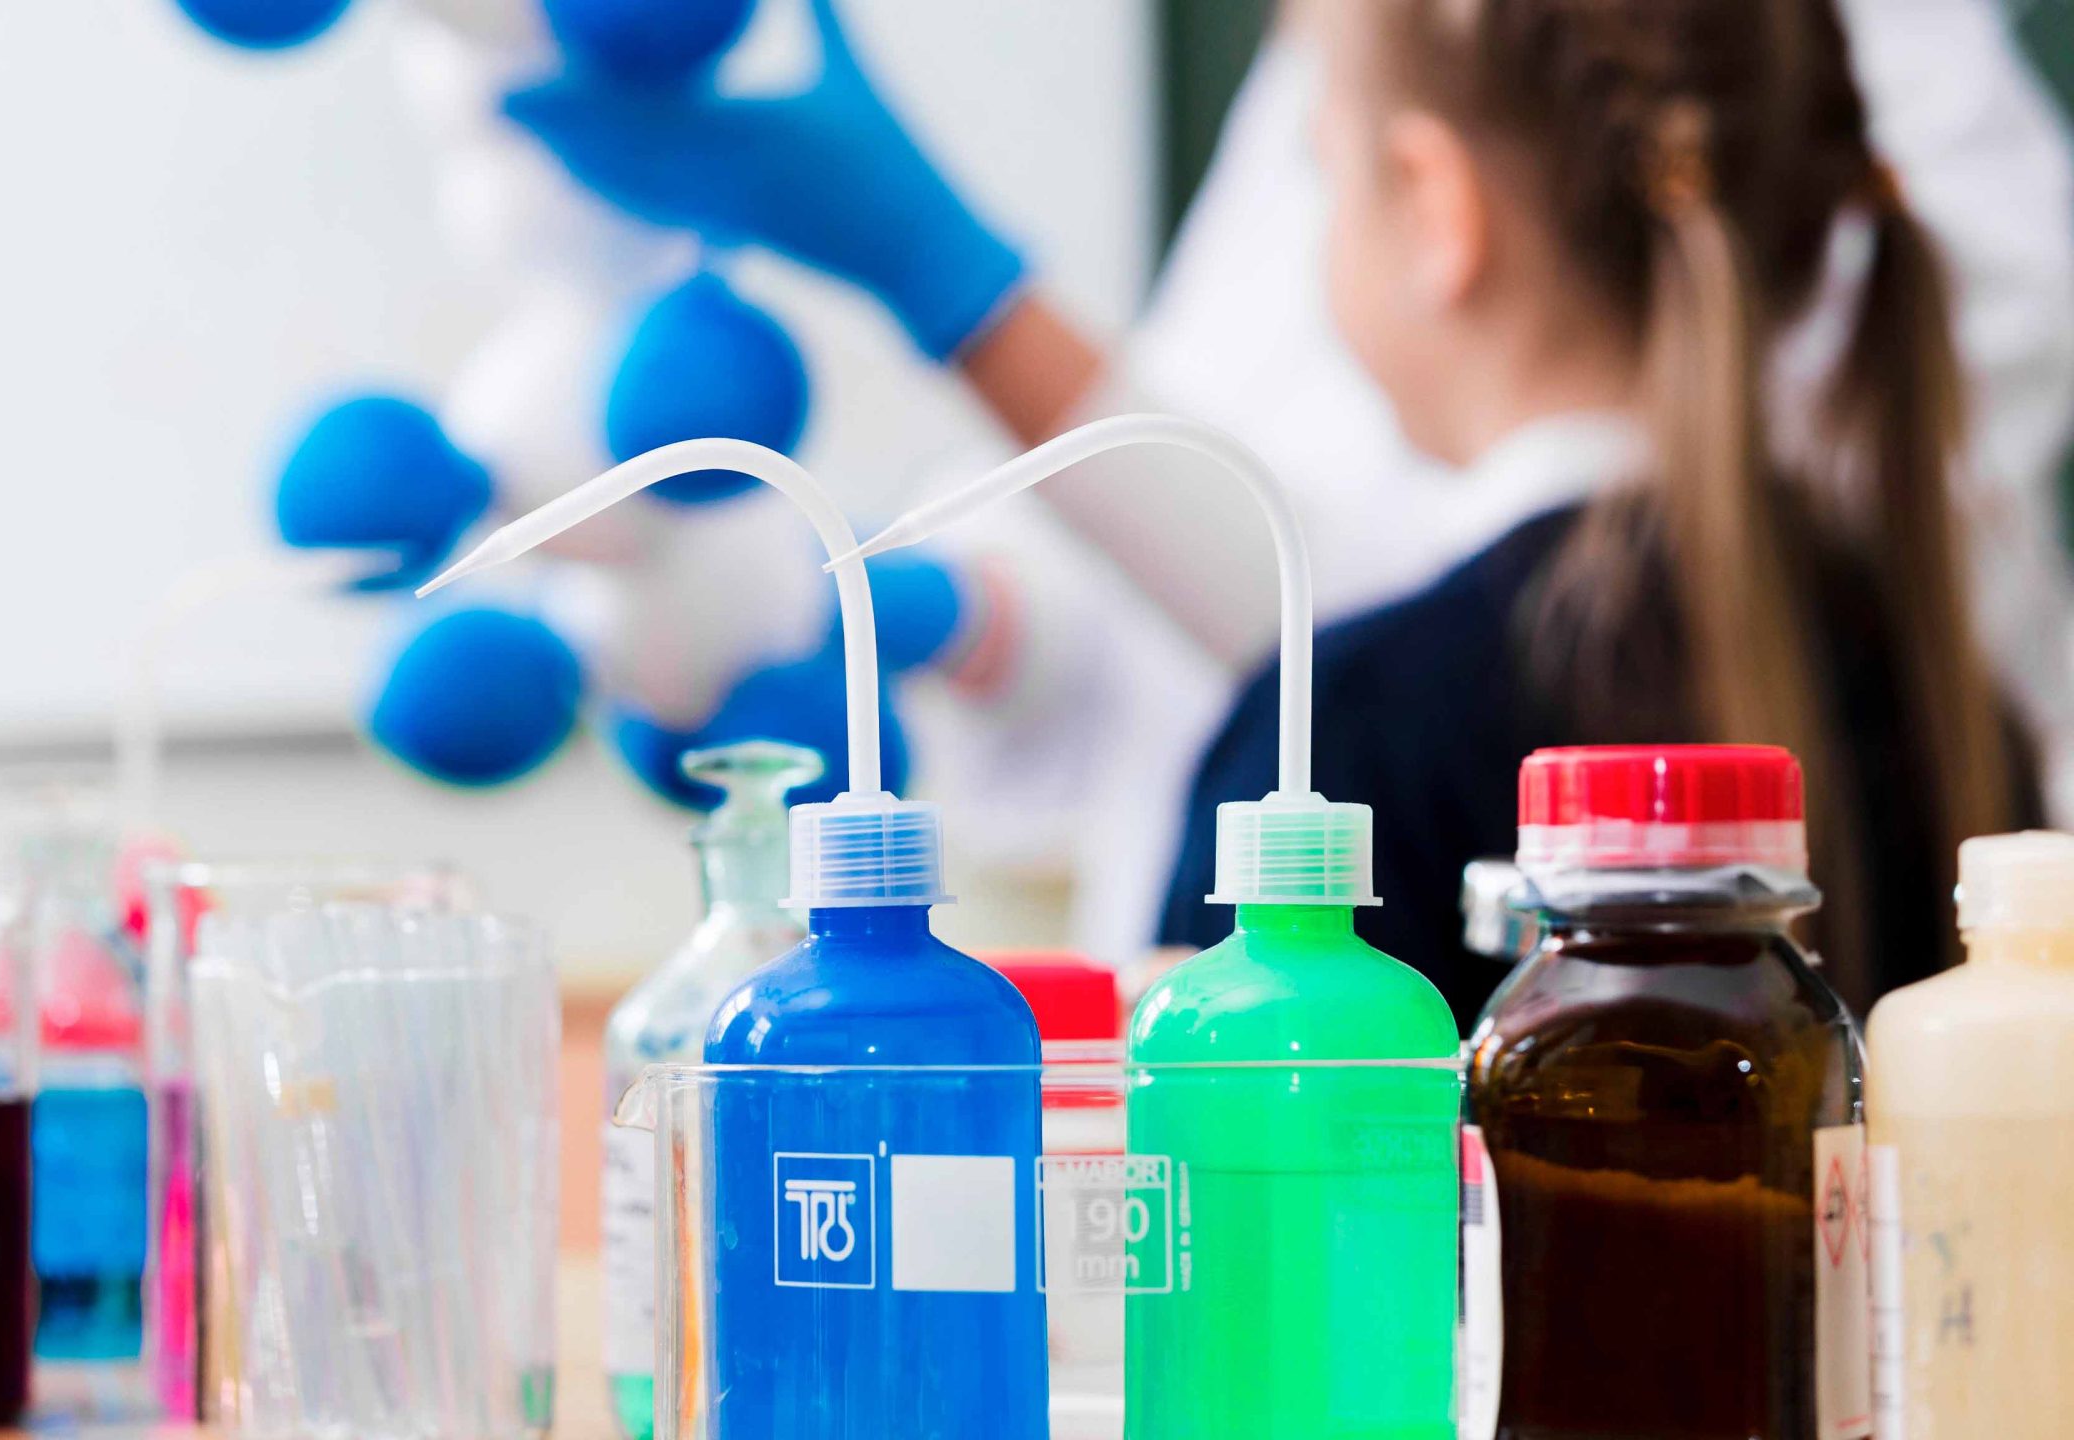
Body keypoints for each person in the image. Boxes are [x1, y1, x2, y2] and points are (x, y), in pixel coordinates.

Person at [508, 0, 2074, 967]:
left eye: (1329, 172)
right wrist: (989, 633)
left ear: (1430, 208)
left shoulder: (1350, 746)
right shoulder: (1949, 703)